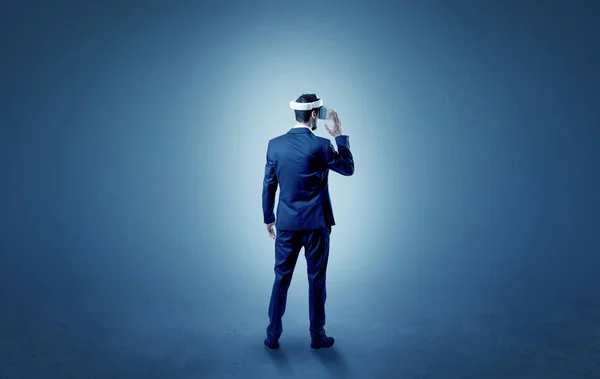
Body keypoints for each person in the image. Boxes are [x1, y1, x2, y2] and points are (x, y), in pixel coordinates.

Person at [262, 93, 354, 350]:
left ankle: (272, 336)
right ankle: (317, 335)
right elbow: (348, 168)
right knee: (317, 279)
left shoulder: (274, 145)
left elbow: (269, 184)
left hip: (287, 225)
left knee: (281, 278)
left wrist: (269, 218)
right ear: (314, 115)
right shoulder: (321, 146)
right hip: (316, 225)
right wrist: (339, 136)